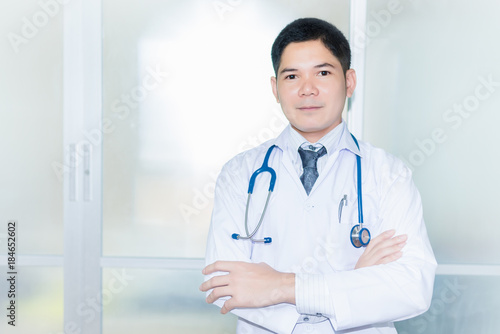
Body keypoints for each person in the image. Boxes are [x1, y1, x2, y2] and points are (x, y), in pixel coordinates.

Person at [200, 17, 436, 334]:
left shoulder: (389, 174)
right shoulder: (240, 174)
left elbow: (411, 288)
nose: (307, 89)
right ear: (275, 88)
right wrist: (352, 284)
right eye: (292, 76)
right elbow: (224, 287)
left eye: (323, 73)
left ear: (349, 82)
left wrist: (282, 286)